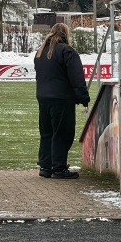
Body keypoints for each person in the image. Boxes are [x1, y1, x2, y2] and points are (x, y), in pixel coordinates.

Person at [34, 23, 90, 179]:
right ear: (66, 34)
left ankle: (46, 166)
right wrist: (83, 98)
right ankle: (59, 168)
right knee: (62, 133)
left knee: (47, 132)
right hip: (61, 98)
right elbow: (77, 77)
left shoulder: (40, 52)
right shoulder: (67, 51)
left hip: (43, 97)